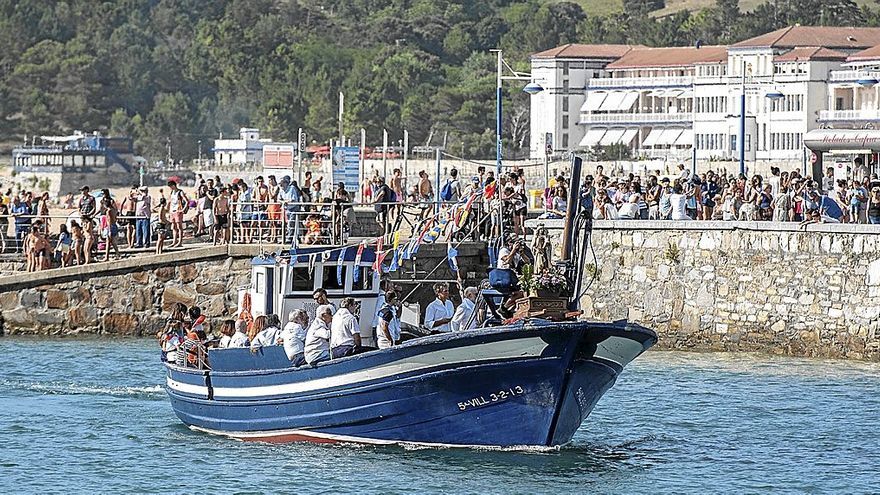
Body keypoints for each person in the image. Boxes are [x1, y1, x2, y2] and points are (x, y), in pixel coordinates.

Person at [167, 180, 188, 248]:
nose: (170, 188)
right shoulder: (171, 192)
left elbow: (187, 201)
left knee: (179, 226)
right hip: (172, 211)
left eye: (170, 186)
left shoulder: (180, 192)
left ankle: (180, 242)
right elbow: (170, 201)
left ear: (173, 185)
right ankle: (174, 241)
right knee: (173, 227)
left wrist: (183, 209)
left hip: (178, 210)